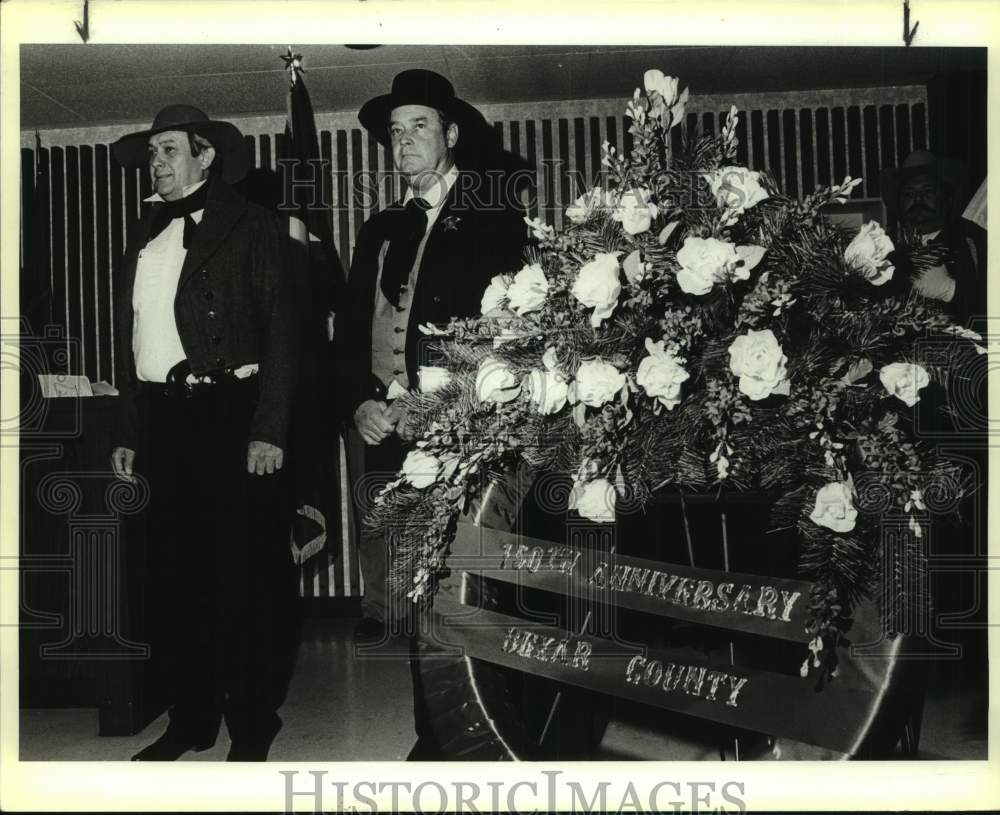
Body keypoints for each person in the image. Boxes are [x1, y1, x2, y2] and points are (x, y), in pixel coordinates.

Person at [334, 69, 528, 758]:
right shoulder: (380, 226)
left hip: (460, 430)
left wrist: (445, 405)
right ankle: (433, 731)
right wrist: (357, 399)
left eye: (418, 125)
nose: (403, 139)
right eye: (394, 129)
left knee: (468, 582)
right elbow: (351, 330)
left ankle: (483, 729)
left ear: (450, 135)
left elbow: (508, 328)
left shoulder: (494, 216)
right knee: (408, 587)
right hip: (387, 432)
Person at [109, 105, 299, 762]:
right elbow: (136, 338)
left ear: (204, 155)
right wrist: (131, 427)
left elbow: (283, 333)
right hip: (163, 421)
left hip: (229, 414)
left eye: (167, 150)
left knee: (240, 580)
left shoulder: (253, 224)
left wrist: (268, 427)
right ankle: (190, 717)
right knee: (172, 577)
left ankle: (251, 723)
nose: (156, 163)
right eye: (152, 153)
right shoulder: (146, 232)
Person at [881, 149, 987, 327]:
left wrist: (951, 290)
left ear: (945, 197)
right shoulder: (886, 250)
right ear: (899, 203)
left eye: (927, 191)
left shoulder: (973, 241)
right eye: (908, 193)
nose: (918, 199)